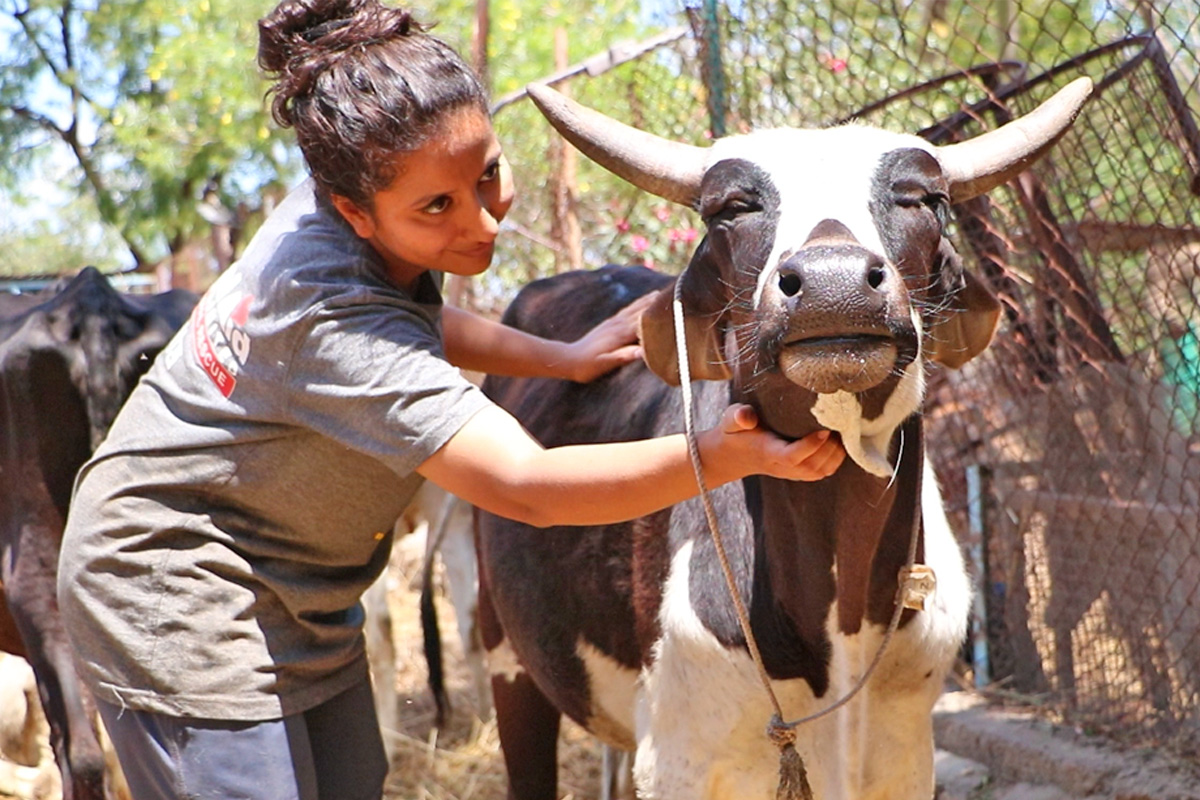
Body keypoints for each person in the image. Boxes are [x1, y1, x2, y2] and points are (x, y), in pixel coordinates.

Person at [56, 1, 846, 798]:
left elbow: (415, 322)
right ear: (352, 214)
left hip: (291, 580)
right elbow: (524, 488)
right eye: (439, 207)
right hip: (171, 580)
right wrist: (720, 456)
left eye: (489, 174)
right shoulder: (325, 308)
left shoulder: (361, 193)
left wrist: (560, 360)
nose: (482, 223)